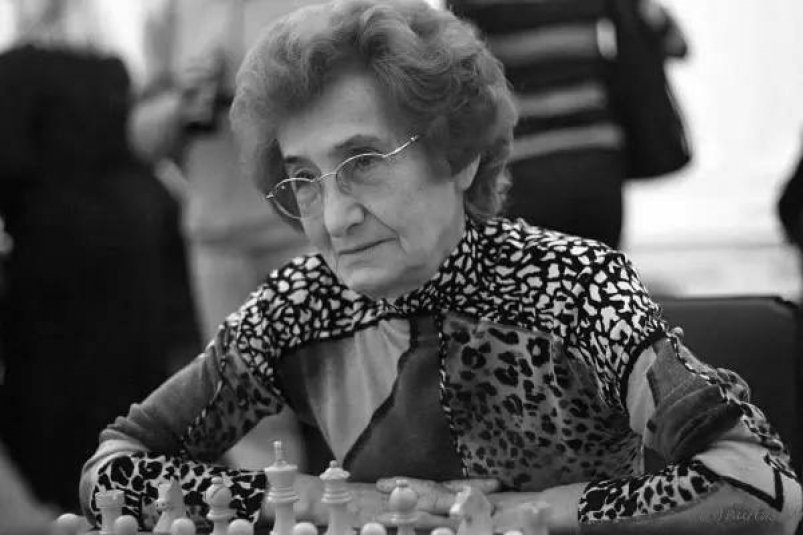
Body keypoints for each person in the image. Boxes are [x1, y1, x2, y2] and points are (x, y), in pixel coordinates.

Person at [80, 0, 801, 533]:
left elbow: (759, 490)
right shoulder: (299, 304)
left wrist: (523, 513)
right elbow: (112, 467)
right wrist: (330, 501)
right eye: (303, 178)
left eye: (363, 162)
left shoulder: (575, 289)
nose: (334, 217)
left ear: (459, 157)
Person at [0, 0, 198, 510]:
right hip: (136, 244)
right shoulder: (112, 68)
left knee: (57, 390)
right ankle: (137, 495)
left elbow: (9, 161)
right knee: (130, 385)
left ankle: (77, 503)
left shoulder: (16, 71)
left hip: (57, 252)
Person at [448, 0, 689, 248]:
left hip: (523, 167)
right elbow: (677, 44)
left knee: (528, 271)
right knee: (598, 270)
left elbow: (453, 67)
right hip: (595, 163)